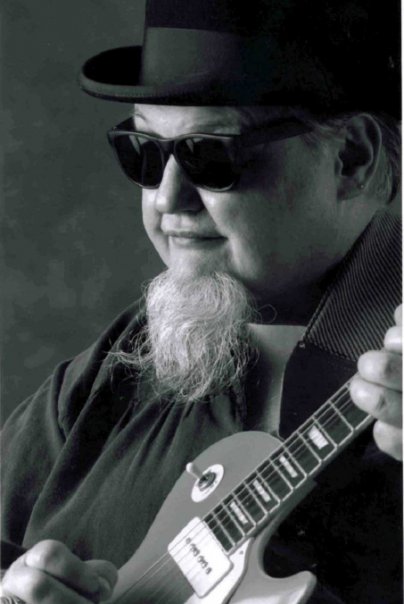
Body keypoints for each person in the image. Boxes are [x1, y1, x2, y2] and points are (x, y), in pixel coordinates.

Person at [1, 0, 402, 602]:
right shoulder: (105, 375)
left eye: (211, 156)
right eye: (143, 152)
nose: (167, 198)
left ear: (352, 159)